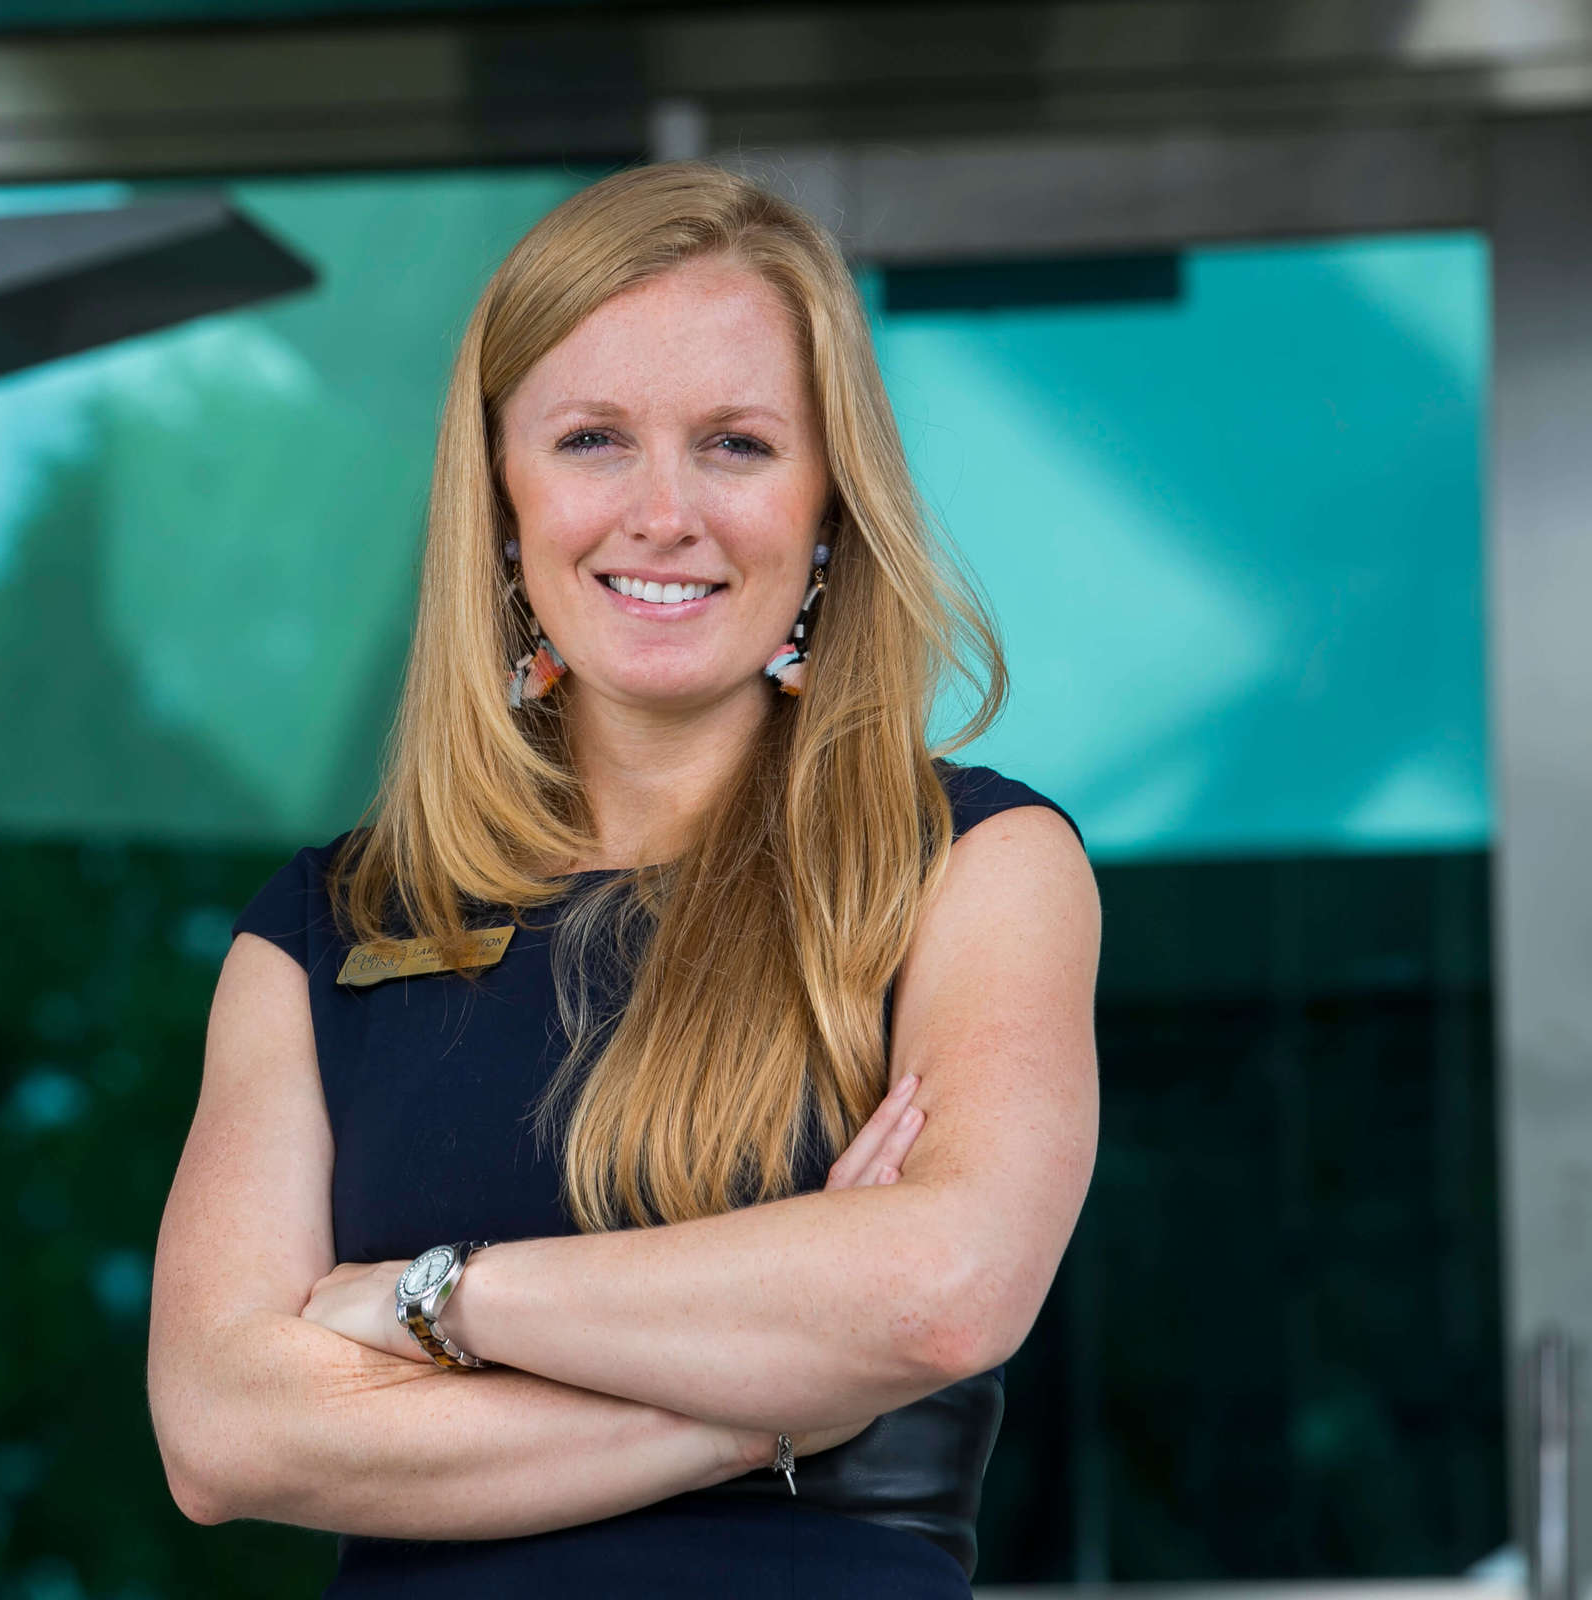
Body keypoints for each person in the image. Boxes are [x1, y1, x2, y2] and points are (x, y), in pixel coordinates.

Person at [146, 160, 1100, 1597]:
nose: (664, 512)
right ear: (501, 499)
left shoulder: (974, 868)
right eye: (592, 439)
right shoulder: (318, 935)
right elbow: (223, 1434)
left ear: (830, 498)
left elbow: (937, 1296)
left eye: (734, 444)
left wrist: (429, 1303)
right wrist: (776, 1402)